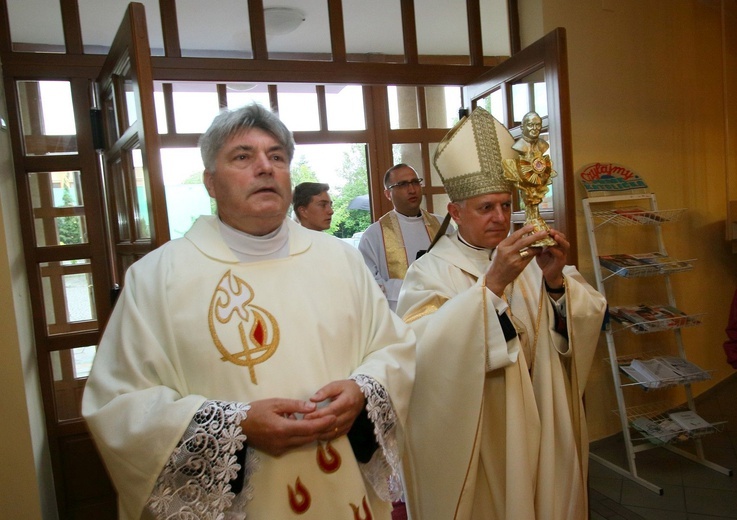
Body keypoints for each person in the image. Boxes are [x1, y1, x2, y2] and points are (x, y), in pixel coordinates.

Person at [82, 103, 416, 520]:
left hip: (343, 495)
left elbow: (395, 350)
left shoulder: (339, 260)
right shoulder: (156, 278)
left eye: (277, 156)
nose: (265, 167)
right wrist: (235, 426)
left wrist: (363, 391)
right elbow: (119, 406)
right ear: (210, 181)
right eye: (243, 156)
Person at [397, 107, 607, 520]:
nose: (499, 219)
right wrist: (490, 286)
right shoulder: (429, 271)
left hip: (541, 407)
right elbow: (419, 349)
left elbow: (583, 318)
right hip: (483, 424)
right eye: (485, 208)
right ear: (455, 213)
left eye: (505, 205)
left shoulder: (527, 257)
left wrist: (553, 283)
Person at [358, 164, 446, 311]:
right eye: (403, 184)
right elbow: (370, 284)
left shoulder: (442, 225)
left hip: (444, 310)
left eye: (415, 182)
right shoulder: (374, 235)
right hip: (400, 316)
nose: (412, 189)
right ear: (388, 194)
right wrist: (416, 289)